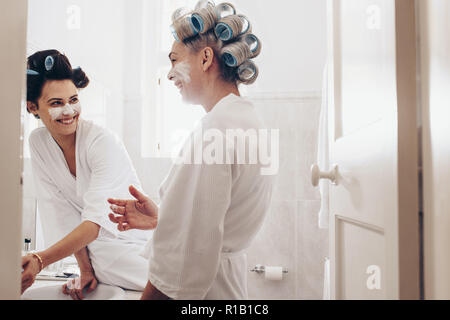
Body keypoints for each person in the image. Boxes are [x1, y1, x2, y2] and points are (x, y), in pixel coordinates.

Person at [108, 1, 276, 300]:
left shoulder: (214, 131)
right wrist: (165, 217)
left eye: (174, 60)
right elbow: (221, 218)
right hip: (229, 287)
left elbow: (186, 256)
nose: (170, 74)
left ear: (205, 58)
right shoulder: (253, 122)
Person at [21, 50, 153, 299]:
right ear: (33, 107)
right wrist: (84, 269)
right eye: (56, 103)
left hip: (134, 254)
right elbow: (60, 211)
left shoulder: (101, 142)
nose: (69, 111)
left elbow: (95, 223)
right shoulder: (38, 142)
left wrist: (41, 259)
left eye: (73, 99)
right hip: (98, 262)